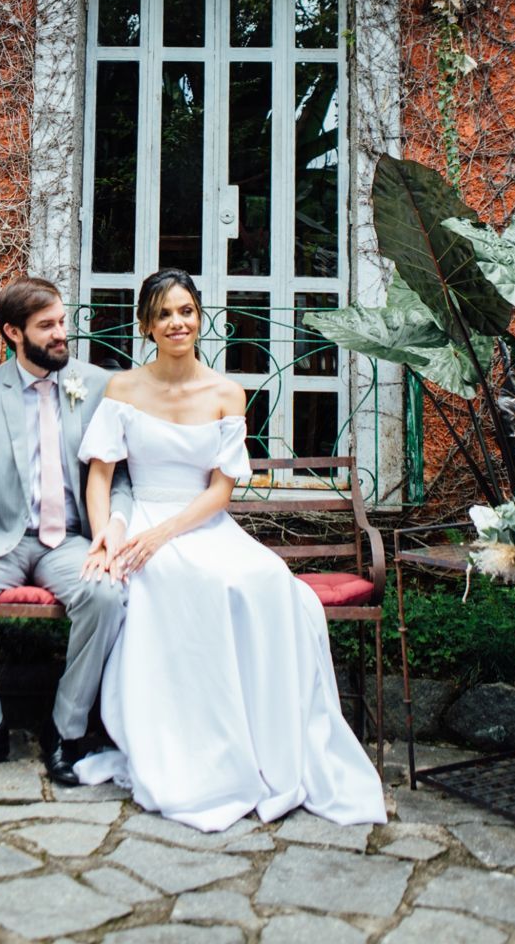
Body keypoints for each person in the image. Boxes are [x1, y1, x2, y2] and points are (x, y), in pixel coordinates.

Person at [74, 268, 387, 832]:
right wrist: (106, 534)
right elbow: (101, 476)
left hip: (196, 520)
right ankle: (192, 744)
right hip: (141, 513)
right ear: (147, 325)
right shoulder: (122, 389)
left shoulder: (226, 392)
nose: (177, 322)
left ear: (200, 318)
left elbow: (221, 490)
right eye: (165, 313)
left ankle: (267, 742)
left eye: (186, 311)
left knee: (269, 584)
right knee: (186, 583)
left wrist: (165, 532)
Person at [0, 277, 131, 786]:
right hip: (2, 539)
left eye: (62, 322)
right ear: (13, 332)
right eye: (47, 326)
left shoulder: (99, 385)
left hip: (73, 541)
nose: (62, 334)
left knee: (106, 595)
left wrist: (114, 530)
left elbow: (122, 475)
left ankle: (66, 730)